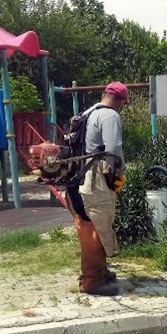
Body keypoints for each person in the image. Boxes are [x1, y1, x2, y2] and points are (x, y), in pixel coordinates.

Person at [66, 81, 128, 296]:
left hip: (78, 176)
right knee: (96, 226)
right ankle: (92, 281)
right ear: (121, 100)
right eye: (123, 103)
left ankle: (100, 272)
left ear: (104, 94)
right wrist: (120, 176)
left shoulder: (88, 112)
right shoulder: (110, 116)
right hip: (95, 179)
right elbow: (113, 150)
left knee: (87, 222)